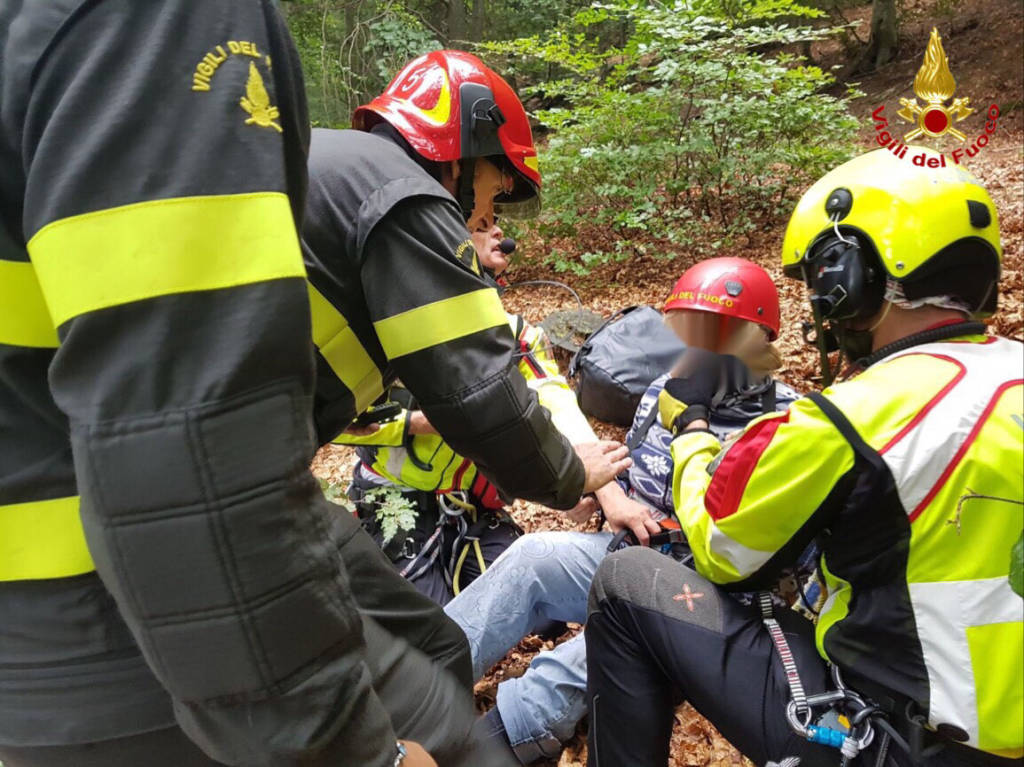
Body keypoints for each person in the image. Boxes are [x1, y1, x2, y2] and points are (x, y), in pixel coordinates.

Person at [0, 10, 615, 765]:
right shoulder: (406, 201)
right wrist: (570, 473)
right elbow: (483, 389)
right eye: (498, 180)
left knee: (433, 641)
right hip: (122, 591)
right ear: (465, 149)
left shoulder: (335, 167)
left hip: (148, 530)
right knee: (446, 732)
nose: (495, 207)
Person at [584, 148, 1023, 767]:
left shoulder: (847, 417)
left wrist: (690, 430)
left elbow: (721, 545)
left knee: (625, 581)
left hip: (896, 742)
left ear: (850, 275)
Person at [445, 258, 810, 763]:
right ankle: (417, 673)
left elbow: (758, 551)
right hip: (630, 554)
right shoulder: (664, 393)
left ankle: (498, 742)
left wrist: (694, 434)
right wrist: (599, 495)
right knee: (533, 556)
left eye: (719, 336)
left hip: (711, 592)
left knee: (580, 655)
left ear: (757, 343)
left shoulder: (788, 423)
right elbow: (631, 473)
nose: (698, 352)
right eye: (688, 335)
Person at [336, 218, 632, 604]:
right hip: (395, 499)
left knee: (539, 606)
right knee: (427, 622)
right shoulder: (389, 329)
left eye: (498, 226)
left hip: (473, 506)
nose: (498, 233)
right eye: (480, 223)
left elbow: (554, 397)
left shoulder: (520, 336)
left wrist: (600, 487)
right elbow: (330, 420)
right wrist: (413, 424)